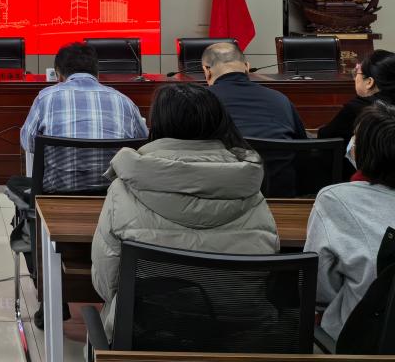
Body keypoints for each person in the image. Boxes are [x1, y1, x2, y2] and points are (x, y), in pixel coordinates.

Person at [91, 84, 280, 332]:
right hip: (242, 336)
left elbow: (107, 282)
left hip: (144, 336)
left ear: (157, 124)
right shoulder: (250, 185)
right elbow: (268, 271)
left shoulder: (123, 189)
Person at [305, 100, 395, 341]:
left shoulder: (335, 199)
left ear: (366, 150)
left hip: (355, 340)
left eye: (355, 138)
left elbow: (318, 288)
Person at [16, 42, 147, 193]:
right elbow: (143, 145)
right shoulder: (124, 101)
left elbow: (29, 143)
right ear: (97, 73)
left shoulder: (45, 98)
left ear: (58, 74)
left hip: (56, 193)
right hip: (112, 194)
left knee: (17, 183)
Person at [203, 41, 307, 195]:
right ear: (247, 67)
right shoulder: (279, 99)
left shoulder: (199, 101)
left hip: (222, 193)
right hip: (280, 193)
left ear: (207, 71)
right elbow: (304, 147)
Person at [318, 49, 395, 148]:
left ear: (369, 82)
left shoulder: (357, 108)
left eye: (357, 73)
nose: (355, 79)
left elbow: (325, 138)